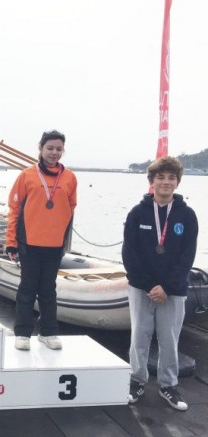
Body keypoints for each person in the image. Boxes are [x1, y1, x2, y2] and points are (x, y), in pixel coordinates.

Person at [122, 156, 198, 411]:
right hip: (141, 288)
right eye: (160, 177)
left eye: (171, 177)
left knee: (169, 338)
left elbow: (187, 256)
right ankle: (137, 380)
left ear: (177, 182)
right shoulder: (137, 213)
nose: (166, 182)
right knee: (139, 335)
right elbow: (129, 253)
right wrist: (147, 285)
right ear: (151, 181)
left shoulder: (187, 215)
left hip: (172, 290)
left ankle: (168, 385)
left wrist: (167, 287)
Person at [5, 130, 77, 351]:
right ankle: (22, 333)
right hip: (29, 243)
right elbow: (14, 210)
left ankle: (48, 332)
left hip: (54, 245)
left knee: (48, 290)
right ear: (40, 148)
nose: (54, 152)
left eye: (59, 149)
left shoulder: (70, 178)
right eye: (50, 148)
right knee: (27, 289)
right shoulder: (26, 176)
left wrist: (63, 239)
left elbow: (70, 209)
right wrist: (11, 241)